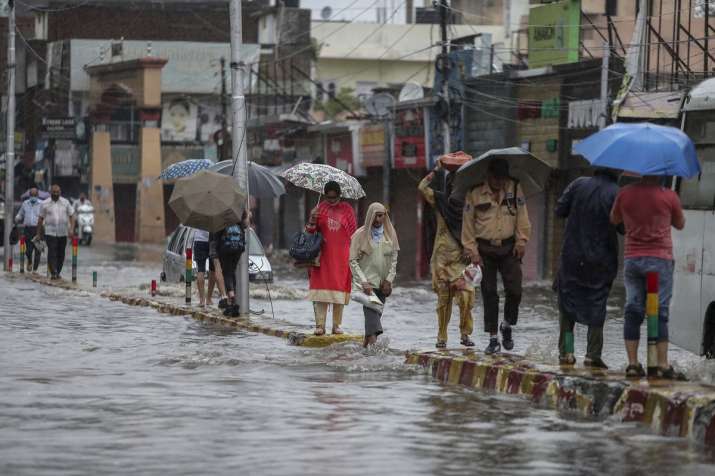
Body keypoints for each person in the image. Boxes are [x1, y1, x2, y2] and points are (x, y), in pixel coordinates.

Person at [610, 175, 686, 379]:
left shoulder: (624, 193)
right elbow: (680, 224)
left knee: (633, 309)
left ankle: (633, 364)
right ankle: (661, 364)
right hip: (659, 262)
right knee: (658, 310)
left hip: (633, 260)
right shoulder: (669, 196)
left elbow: (614, 219)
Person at [462, 158, 531, 354]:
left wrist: (522, 241)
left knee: (515, 290)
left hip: (509, 247)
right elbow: (467, 225)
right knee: (489, 293)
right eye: (496, 179)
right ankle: (493, 338)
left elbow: (523, 217)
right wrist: (472, 251)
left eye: (503, 179)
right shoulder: (474, 193)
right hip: (484, 250)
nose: (500, 183)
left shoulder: (515, 188)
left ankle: (507, 325)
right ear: (489, 176)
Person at [555, 169, 621, 369]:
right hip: (601, 260)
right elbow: (624, 227)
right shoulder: (617, 193)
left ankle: (567, 352)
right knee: (597, 303)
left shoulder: (578, 184)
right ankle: (593, 354)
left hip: (572, 256)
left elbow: (559, 210)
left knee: (567, 304)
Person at [419, 163, 475, 348]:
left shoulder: (469, 205)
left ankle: (465, 334)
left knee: (467, 295)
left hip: (462, 258)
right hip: (441, 260)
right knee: (444, 300)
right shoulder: (440, 200)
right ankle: (441, 337)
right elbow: (422, 187)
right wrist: (436, 170)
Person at [306, 181, 357, 336]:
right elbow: (309, 232)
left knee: (339, 290)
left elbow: (354, 233)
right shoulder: (319, 208)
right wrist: (312, 220)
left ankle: (336, 325)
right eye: (328, 197)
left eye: (334, 198)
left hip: (342, 257)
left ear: (340, 196)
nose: (331, 200)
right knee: (320, 291)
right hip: (323, 256)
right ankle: (320, 325)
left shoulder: (347, 209)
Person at [349, 202, 399, 347]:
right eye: (375, 216)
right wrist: (363, 282)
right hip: (367, 286)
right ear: (370, 216)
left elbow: (394, 260)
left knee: (373, 320)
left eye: (381, 216)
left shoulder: (390, 234)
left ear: (385, 216)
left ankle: (365, 349)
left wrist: (389, 280)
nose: (378, 219)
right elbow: (353, 261)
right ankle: (374, 355)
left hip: (383, 286)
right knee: (373, 322)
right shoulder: (359, 235)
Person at [209, 212, 249, 317]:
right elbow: (245, 225)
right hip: (238, 248)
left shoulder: (220, 213)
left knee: (226, 273)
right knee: (232, 272)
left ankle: (231, 298)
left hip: (225, 247)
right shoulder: (238, 210)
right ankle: (233, 301)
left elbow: (216, 235)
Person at [36, 185, 75, 279]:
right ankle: (53, 272)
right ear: (50, 193)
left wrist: (71, 229)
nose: (56, 194)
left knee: (61, 253)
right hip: (50, 232)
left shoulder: (65, 202)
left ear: (60, 192)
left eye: (57, 192)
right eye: (54, 192)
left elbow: (72, 215)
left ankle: (57, 271)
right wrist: (38, 233)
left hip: (63, 232)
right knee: (52, 251)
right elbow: (40, 219)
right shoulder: (45, 203)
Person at [193, 227, 226, 307]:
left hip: (199, 240)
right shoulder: (214, 214)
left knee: (200, 270)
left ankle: (201, 300)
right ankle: (208, 299)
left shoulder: (199, 213)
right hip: (213, 240)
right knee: (213, 270)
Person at [15, 188, 44, 272]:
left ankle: (34, 270)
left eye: (35, 195)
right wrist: (17, 218)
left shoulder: (42, 204)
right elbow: (20, 214)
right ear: (29, 195)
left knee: (38, 251)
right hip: (28, 229)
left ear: (37, 195)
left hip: (39, 229)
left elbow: (45, 215)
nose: (33, 197)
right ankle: (30, 261)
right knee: (28, 250)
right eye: (31, 195)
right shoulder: (25, 203)